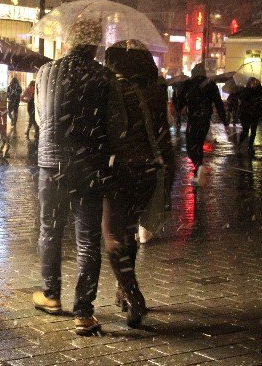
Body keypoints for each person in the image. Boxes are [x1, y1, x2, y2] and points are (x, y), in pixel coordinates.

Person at [32, 19, 125, 335]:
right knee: (88, 239)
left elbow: (40, 117)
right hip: (90, 166)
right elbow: (118, 125)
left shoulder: (46, 72)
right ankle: (84, 313)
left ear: (68, 41)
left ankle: (51, 295)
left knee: (50, 230)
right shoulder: (105, 76)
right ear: (96, 45)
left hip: (51, 164)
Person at [102, 42, 173, 328]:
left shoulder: (113, 89)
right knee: (129, 230)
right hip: (148, 171)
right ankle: (124, 291)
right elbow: (162, 134)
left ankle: (135, 296)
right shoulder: (155, 91)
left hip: (119, 169)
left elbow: (106, 132)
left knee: (111, 236)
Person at [176, 63, 229, 184]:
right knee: (199, 143)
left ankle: (198, 165)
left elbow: (180, 103)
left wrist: (180, 109)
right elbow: (219, 104)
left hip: (193, 118)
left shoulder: (188, 84)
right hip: (205, 119)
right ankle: (198, 168)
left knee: (191, 146)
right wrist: (225, 122)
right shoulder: (211, 85)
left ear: (193, 73)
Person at [238, 77, 262, 153]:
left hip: (255, 113)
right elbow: (243, 100)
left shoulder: (258, 91)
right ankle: (240, 143)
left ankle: (250, 145)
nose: (254, 83)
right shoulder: (245, 91)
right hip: (247, 114)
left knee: (253, 131)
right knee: (245, 130)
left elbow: (260, 102)